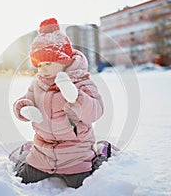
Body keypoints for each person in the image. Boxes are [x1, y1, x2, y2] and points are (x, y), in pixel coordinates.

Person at [12, 18, 105, 188]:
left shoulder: (82, 82)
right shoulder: (37, 84)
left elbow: (96, 112)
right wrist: (24, 109)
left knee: (89, 185)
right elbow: (24, 101)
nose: (43, 69)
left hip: (76, 156)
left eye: (48, 63)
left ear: (63, 61)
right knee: (21, 176)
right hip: (42, 155)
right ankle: (25, 152)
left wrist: (75, 96)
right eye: (39, 65)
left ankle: (102, 154)